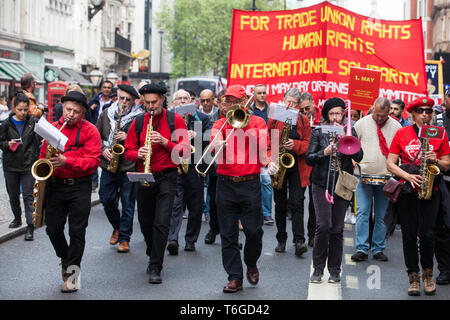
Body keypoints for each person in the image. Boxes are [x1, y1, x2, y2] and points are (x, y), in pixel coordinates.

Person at [211, 85, 278, 293]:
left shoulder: (257, 122)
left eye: (235, 101)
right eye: (227, 101)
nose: (230, 105)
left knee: (254, 231)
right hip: (226, 184)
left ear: (245, 102)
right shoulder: (220, 124)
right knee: (228, 234)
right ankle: (235, 277)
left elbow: (264, 147)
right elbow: (214, 145)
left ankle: (251, 261)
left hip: (250, 183)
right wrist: (218, 143)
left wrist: (269, 162)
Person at [124, 83, 188, 284]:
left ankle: (155, 266)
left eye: (154, 102)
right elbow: (128, 150)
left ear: (162, 99)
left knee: (161, 222)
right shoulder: (138, 122)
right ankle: (153, 250)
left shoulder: (175, 119)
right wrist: (138, 153)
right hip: (144, 175)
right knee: (145, 221)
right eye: (147, 103)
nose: (151, 107)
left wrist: (165, 142)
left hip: (167, 176)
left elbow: (184, 151)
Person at [387, 97, 450, 296]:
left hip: (432, 190)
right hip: (408, 190)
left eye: (429, 111)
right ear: (413, 114)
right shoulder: (402, 133)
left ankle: (428, 274)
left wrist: (436, 160)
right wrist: (406, 176)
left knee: (428, 234)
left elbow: (447, 164)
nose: (425, 114)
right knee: (408, 235)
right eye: (421, 110)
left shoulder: (440, 134)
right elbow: (390, 163)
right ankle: (413, 276)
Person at [42, 90, 101, 293]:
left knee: (77, 231)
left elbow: (93, 161)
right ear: (62, 107)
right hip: (56, 186)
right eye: (68, 109)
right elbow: (42, 156)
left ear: (83, 112)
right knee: (52, 228)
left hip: (80, 186)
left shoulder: (91, 131)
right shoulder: (51, 129)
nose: (71, 114)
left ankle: (72, 275)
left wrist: (67, 161)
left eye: (76, 111)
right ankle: (66, 259)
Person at [306, 97, 363, 284]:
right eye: (331, 114)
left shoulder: (350, 129)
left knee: (337, 229)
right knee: (323, 226)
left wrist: (348, 141)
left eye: (338, 113)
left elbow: (359, 156)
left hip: (342, 185)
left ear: (343, 114)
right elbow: (309, 158)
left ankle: (335, 270)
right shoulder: (318, 131)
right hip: (321, 183)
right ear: (326, 115)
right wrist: (324, 152)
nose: (335, 117)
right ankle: (318, 269)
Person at [351, 97, 401, 262]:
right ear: (373, 109)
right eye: (377, 115)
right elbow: (351, 146)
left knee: (381, 215)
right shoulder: (360, 124)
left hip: (386, 177)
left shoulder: (396, 126)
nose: (379, 118)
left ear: (388, 113)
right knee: (363, 212)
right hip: (362, 175)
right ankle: (362, 248)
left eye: (383, 116)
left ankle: (378, 248)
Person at [96, 84, 143, 253]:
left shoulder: (139, 117)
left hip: (128, 166)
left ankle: (124, 238)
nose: (124, 102)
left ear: (134, 101)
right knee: (106, 198)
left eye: (128, 100)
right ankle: (117, 226)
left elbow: (143, 142)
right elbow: (97, 136)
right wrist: (103, 149)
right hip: (109, 165)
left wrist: (129, 136)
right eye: (121, 98)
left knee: (128, 203)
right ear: (117, 97)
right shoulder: (106, 114)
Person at [166, 89, 211, 254]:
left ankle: (190, 240)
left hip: (194, 168)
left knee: (195, 206)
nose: (183, 101)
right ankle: (173, 239)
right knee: (175, 206)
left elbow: (211, 139)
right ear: (174, 102)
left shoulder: (202, 118)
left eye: (186, 98)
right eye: (180, 99)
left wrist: (197, 135)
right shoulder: (168, 118)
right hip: (174, 167)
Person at [268, 88, 312, 256]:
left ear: (299, 105)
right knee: (279, 204)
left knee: (297, 203)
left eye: (294, 103)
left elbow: (309, 144)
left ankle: (299, 240)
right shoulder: (274, 119)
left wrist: (296, 145)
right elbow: (269, 142)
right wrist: (271, 162)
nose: (290, 105)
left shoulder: (303, 120)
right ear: (283, 99)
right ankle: (281, 238)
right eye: (288, 101)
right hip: (279, 164)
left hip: (297, 167)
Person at [0, 93, 40, 240]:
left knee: (29, 196)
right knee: (13, 195)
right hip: (10, 165)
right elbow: (0, 141)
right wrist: (7, 144)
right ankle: (17, 218)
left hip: (28, 165)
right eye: (20, 109)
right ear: (14, 108)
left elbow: (41, 138)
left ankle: (30, 227)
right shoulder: (6, 123)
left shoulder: (33, 122)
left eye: (25, 110)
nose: (23, 113)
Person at [204, 89, 226, 245]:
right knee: (213, 201)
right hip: (215, 165)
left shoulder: (240, 117)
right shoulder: (210, 119)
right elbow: (205, 142)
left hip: (233, 165)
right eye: (224, 103)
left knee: (230, 203)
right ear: (218, 102)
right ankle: (213, 229)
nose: (227, 106)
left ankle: (229, 234)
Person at [251, 84, 275, 226]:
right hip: (251, 150)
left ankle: (267, 213)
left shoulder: (271, 110)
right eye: (259, 93)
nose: (261, 95)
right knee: (253, 182)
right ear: (254, 94)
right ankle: (253, 211)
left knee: (266, 181)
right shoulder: (248, 110)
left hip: (266, 150)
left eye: (263, 93)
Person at [298, 92, 317, 247]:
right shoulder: (298, 119)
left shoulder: (322, 118)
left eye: (307, 108)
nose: (305, 112)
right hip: (302, 165)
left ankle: (312, 235)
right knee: (298, 201)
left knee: (314, 204)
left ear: (313, 103)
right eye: (302, 109)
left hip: (317, 166)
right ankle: (299, 237)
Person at [86, 80, 114, 192]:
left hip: (105, 131)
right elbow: (86, 115)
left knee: (104, 154)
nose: (106, 89)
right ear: (101, 88)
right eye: (105, 87)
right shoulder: (94, 100)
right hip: (93, 129)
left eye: (109, 87)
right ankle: (94, 180)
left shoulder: (113, 104)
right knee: (93, 155)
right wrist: (90, 110)